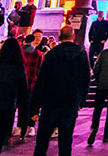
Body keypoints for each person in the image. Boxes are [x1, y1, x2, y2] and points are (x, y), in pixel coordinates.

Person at [31, 24, 89, 156]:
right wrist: (81, 101)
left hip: (51, 101)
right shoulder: (81, 54)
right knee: (66, 140)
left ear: (60, 36)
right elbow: (85, 79)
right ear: (73, 36)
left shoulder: (52, 54)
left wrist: (35, 106)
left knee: (42, 140)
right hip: (70, 101)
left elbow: (42, 80)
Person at [18, 30, 43, 141]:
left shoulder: (37, 52)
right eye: (36, 36)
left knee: (28, 104)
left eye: (40, 36)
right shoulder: (36, 53)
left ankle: (26, 126)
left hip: (28, 82)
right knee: (27, 104)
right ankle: (24, 126)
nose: (38, 39)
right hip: (30, 81)